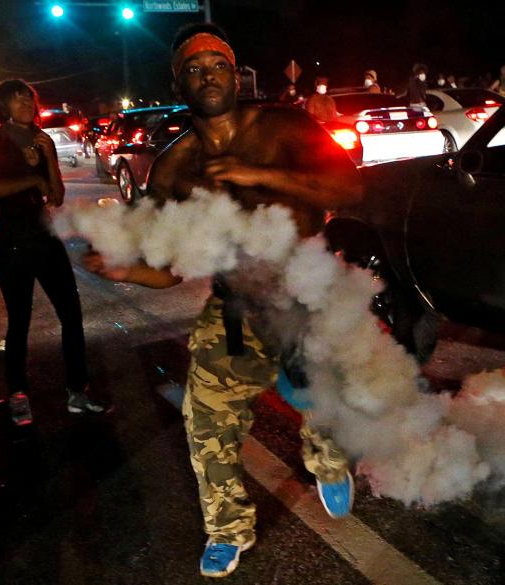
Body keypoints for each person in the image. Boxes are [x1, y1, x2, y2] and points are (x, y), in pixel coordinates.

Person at [85, 23, 362, 578]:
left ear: (236, 74)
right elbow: (167, 272)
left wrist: (254, 172)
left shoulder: (282, 125)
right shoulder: (172, 166)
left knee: (323, 398)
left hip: (305, 287)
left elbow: (348, 189)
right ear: (178, 81)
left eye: (217, 65)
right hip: (233, 304)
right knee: (206, 419)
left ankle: (328, 460)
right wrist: (125, 270)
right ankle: (226, 528)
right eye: (194, 68)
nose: (207, 75)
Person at [0, 79, 106, 426]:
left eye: (27, 98)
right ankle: (18, 394)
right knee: (19, 322)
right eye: (16, 99)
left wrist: (48, 158)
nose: (25, 103)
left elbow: (57, 196)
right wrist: (31, 180)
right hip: (13, 243)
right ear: (3, 107)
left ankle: (77, 391)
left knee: (72, 315)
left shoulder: (41, 139)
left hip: (45, 239)